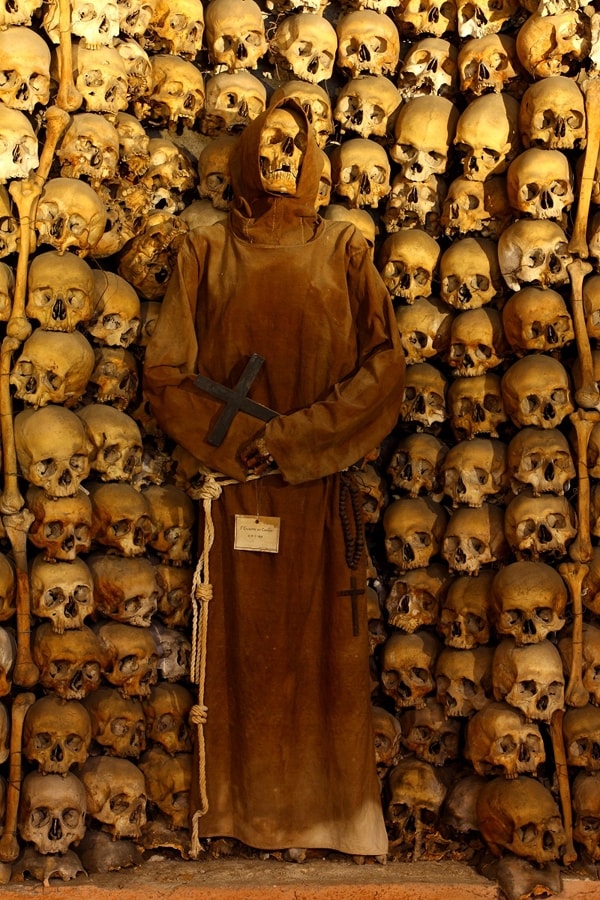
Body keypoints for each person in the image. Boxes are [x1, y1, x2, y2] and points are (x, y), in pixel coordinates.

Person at [143, 98, 405, 858]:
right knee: (244, 656)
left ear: (313, 157)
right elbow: (166, 370)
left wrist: (294, 439)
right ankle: (237, 813)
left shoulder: (346, 253)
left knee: (323, 655)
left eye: (295, 145)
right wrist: (234, 451)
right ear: (247, 154)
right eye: (269, 144)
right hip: (238, 494)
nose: (279, 158)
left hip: (315, 487)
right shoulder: (204, 253)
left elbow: (385, 368)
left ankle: (332, 818)